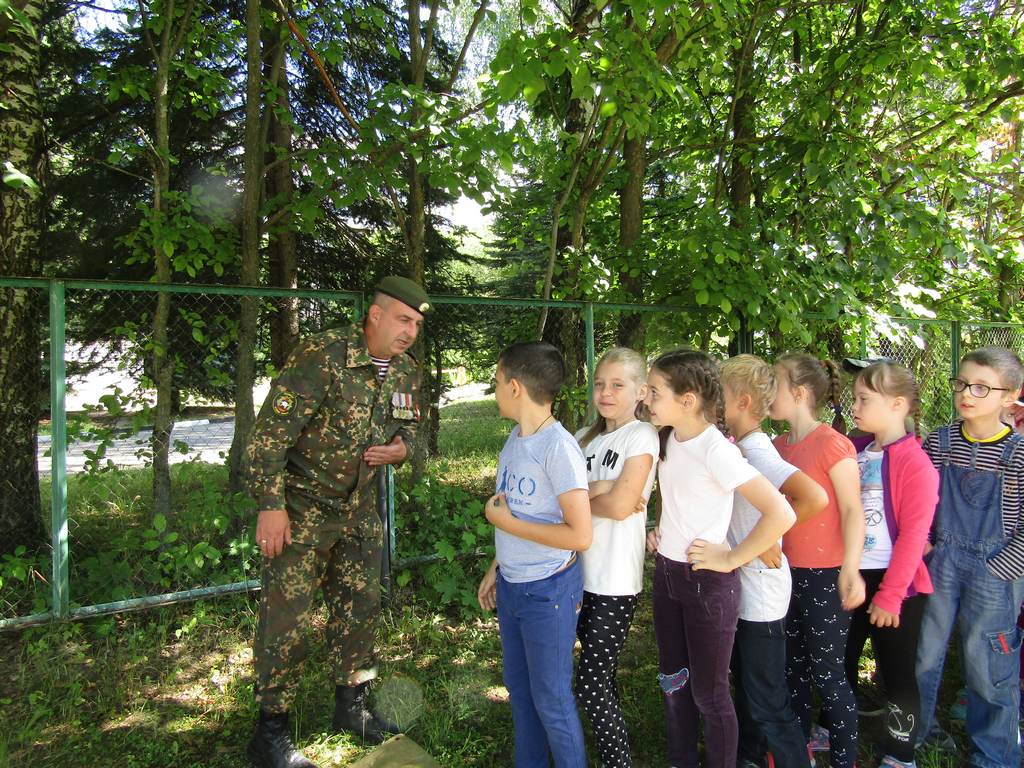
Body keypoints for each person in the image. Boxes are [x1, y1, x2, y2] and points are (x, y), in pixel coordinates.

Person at [245, 276, 429, 768]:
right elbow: (269, 435)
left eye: (416, 324)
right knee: (287, 620)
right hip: (302, 510)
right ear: (375, 315)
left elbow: (411, 427)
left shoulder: (406, 371)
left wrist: (402, 449)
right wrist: (270, 505)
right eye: (403, 320)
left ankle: (353, 708)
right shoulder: (322, 355)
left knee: (360, 610)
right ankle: (270, 732)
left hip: (359, 511)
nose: (410, 331)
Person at [643, 349, 795, 768]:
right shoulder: (666, 437)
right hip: (667, 577)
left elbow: (781, 512)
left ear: (687, 399)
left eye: (654, 392)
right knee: (673, 682)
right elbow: (681, 497)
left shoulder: (717, 450)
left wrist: (731, 558)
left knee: (709, 694)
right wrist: (662, 530)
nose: (646, 398)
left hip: (707, 585)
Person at [476, 341, 593, 768]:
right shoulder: (516, 439)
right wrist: (498, 565)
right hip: (513, 587)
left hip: (549, 592)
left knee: (552, 700)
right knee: (521, 692)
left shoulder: (558, 448)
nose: (494, 390)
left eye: (496, 381)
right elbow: (518, 510)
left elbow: (580, 535)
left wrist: (505, 525)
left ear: (515, 387)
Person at [915, 346, 1024, 768]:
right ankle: (915, 734)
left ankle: (995, 753)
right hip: (941, 561)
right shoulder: (939, 442)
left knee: (989, 663)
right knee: (925, 651)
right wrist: (924, 543)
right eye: (962, 383)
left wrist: (1001, 568)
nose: (966, 393)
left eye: (981, 387)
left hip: (996, 567)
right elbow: (920, 500)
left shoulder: (1018, 453)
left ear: (1010, 396)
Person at [720, 355, 827, 768]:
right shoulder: (736, 447)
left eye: (720, 394)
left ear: (743, 401)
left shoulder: (756, 451)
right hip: (743, 591)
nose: (714, 401)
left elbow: (814, 497)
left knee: (767, 698)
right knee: (748, 689)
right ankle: (749, 755)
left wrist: (766, 537)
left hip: (761, 597)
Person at [770, 353, 865, 768]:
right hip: (782, 572)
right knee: (791, 668)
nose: (766, 393)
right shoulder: (776, 447)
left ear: (799, 393)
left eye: (774, 384)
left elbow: (852, 509)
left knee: (827, 673)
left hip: (826, 575)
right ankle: (799, 752)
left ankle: (846, 759)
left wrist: (851, 568)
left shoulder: (832, 444)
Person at [844, 363, 938, 768]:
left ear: (898, 405)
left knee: (897, 672)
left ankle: (900, 753)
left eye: (864, 399)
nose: (855, 406)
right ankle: (834, 727)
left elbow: (915, 537)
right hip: (852, 574)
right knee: (840, 658)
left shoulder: (915, 463)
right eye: (855, 397)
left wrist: (891, 595)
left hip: (897, 584)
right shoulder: (855, 450)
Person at [573, 348, 659, 768]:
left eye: (617, 385)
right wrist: (605, 487)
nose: (605, 393)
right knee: (598, 676)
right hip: (573, 574)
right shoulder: (582, 437)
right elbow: (560, 500)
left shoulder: (641, 436)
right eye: (600, 384)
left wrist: (592, 496)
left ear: (641, 391)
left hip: (613, 581)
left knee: (590, 684)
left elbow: (623, 506)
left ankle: (617, 761)